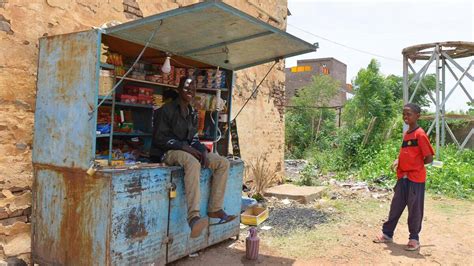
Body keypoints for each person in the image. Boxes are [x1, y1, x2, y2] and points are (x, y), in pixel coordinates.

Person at [151, 76, 236, 238]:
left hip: (186, 150)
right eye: (186, 88)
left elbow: (194, 139)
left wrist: (202, 151)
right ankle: (193, 217)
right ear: (178, 90)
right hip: (167, 152)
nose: (190, 92)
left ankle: (215, 209)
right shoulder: (166, 110)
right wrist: (185, 147)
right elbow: (159, 139)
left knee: (222, 163)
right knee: (192, 162)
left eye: (192, 89)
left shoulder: (192, 112)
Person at [373, 103, 434, 251]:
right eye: (404, 114)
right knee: (396, 207)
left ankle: (414, 239)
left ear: (417, 116)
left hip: (415, 179)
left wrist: (415, 165)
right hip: (403, 178)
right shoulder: (407, 135)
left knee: (415, 210)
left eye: (409, 114)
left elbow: (429, 158)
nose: (405, 117)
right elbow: (407, 153)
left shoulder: (420, 134)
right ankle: (387, 234)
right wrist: (398, 160)